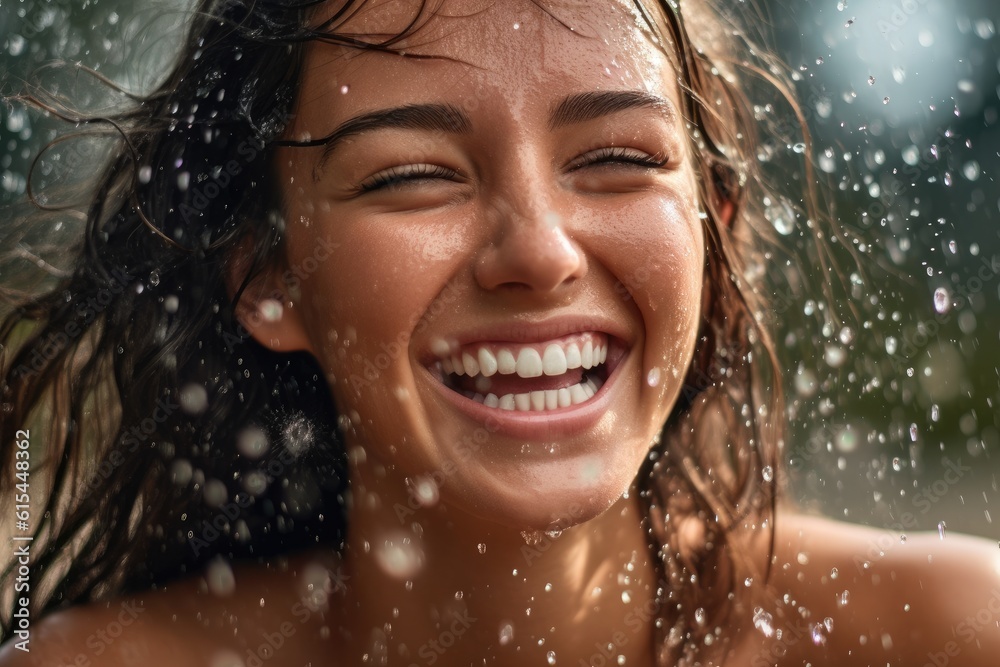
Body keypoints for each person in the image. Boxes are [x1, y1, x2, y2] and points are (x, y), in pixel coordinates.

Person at [1, 0, 998, 665]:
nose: (539, 250)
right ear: (270, 275)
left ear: (711, 223)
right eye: (411, 174)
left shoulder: (948, 637)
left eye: (616, 156)